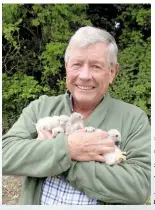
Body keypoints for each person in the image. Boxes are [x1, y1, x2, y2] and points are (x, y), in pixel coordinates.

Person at [2, 26, 151, 205]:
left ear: (112, 72)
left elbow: (139, 188)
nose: (85, 75)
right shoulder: (41, 107)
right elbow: (5, 156)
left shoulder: (134, 119)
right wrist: (69, 148)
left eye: (96, 66)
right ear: (67, 68)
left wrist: (62, 156)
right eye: (77, 64)